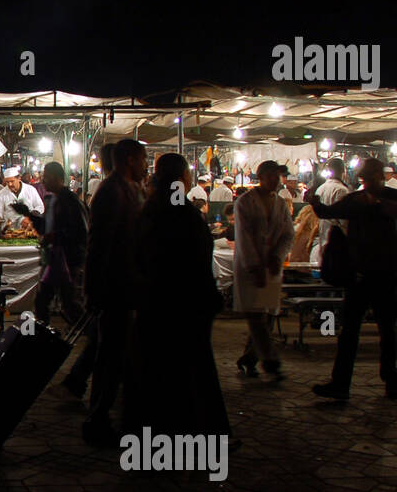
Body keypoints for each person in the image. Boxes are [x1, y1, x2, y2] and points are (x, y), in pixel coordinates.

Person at [123, 153, 231, 436]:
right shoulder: (179, 211)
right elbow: (193, 259)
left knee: (158, 369)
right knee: (192, 369)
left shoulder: (151, 209)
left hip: (157, 301)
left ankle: (157, 430)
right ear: (183, 178)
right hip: (182, 302)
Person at [310, 158, 397, 401]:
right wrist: (314, 200)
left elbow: (396, 211)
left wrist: (373, 201)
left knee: (387, 330)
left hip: (383, 273)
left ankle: (390, 380)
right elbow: (327, 212)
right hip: (361, 274)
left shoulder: (393, 196)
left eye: (370, 176)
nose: (367, 181)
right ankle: (341, 383)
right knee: (350, 331)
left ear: (379, 176)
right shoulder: (355, 199)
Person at [78, 138, 147, 445]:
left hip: (128, 286)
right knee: (109, 356)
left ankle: (118, 417)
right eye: (144, 159)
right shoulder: (111, 192)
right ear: (130, 159)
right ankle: (97, 418)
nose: (146, 166)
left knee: (121, 356)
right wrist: (92, 291)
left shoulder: (130, 189)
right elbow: (98, 246)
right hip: (114, 288)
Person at [233, 160, 294, 381]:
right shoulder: (244, 203)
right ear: (261, 177)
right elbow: (244, 238)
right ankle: (271, 360)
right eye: (272, 176)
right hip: (250, 268)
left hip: (272, 267)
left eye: (277, 177)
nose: (276, 181)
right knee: (255, 314)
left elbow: (288, 233)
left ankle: (249, 358)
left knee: (266, 315)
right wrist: (254, 266)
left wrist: (278, 256)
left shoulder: (280, 204)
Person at [18, 161, 88, 326]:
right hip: (53, 260)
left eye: (47, 177)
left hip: (67, 261)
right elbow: (44, 226)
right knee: (44, 301)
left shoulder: (70, 201)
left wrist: (53, 237)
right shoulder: (52, 200)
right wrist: (27, 214)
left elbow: (79, 232)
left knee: (68, 303)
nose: (43, 181)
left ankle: (91, 332)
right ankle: (42, 336)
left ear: (57, 178)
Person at [314, 157, 350, 252]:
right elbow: (344, 221)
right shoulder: (342, 190)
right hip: (338, 243)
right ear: (344, 171)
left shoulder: (320, 189)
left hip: (323, 239)